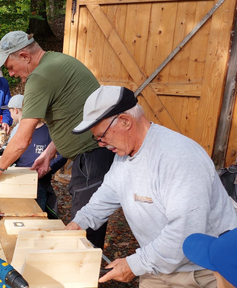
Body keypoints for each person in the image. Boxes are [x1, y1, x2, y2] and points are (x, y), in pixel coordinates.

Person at [65, 85, 237, 287]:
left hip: (202, 272)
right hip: (156, 266)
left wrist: (134, 264)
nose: (101, 144)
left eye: (102, 136)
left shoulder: (178, 158)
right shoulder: (123, 156)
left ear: (125, 121)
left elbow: (184, 232)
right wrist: (78, 224)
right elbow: (107, 194)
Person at [0, 31, 113, 249]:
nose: (11, 74)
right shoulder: (58, 61)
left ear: (25, 56)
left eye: (10, 66)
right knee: (85, 217)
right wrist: (49, 152)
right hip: (92, 154)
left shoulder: (40, 76)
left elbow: (22, 138)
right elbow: (73, 116)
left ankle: (85, 277)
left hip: (92, 155)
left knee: (85, 226)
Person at [0, 94, 66, 218]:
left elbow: (63, 154)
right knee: (17, 213)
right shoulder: (21, 131)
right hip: (18, 179)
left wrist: (49, 168)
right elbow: (13, 152)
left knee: (36, 217)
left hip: (39, 185)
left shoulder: (50, 132)